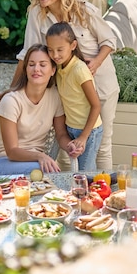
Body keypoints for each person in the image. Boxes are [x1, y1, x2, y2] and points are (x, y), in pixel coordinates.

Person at [13, 0, 119, 170]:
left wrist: (95, 62)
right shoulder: (37, 14)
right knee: (67, 146)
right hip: (67, 91)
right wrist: (14, 89)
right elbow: (28, 54)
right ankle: (67, 192)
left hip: (100, 85)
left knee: (102, 145)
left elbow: (109, 40)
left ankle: (107, 195)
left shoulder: (85, 10)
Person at [0, 44, 73, 176]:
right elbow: (12, 151)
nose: (36, 69)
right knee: (47, 173)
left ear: (53, 70)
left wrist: (71, 146)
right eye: (31, 64)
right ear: (26, 69)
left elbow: (61, 134)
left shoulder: (55, 96)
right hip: (2, 161)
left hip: (35, 162)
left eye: (43, 65)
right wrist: (40, 156)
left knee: (47, 172)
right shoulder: (11, 101)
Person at [46, 22, 103, 171]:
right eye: (50, 50)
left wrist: (84, 137)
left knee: (85, 173)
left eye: (60, 49)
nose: (55, 55)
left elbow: (96, 105)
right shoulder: (59, 67)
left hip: (89, 131)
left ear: (73, 45)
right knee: (77, 172)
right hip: (71, 127)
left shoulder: (79, 70)